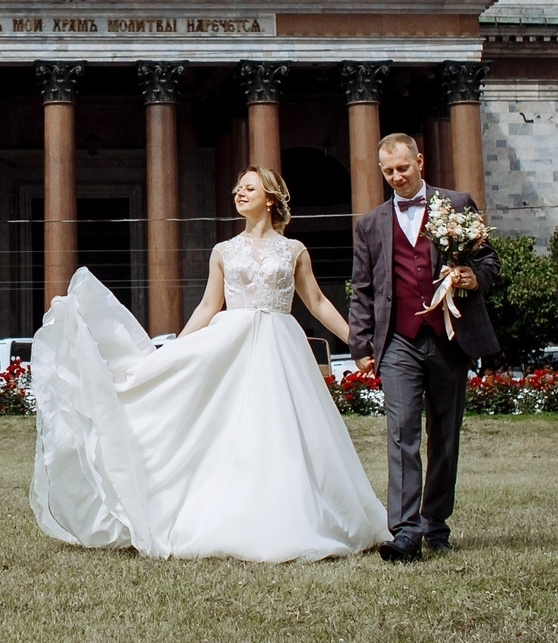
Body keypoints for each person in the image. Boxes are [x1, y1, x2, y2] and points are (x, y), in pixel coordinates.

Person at [27, 166, 390, 562]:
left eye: (249, 188)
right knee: (231, 432)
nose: (239, 193)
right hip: (229, 348)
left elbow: (317, 303)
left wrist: (358, 343)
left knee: (282, 430)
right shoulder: (224, 250)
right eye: (237, 188)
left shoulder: (293, 250)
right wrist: (171, 355)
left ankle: (297, 517)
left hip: (281, 349)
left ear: (270, 197)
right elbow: (207, 306)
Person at [348, 131, 497, 563]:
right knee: (401, 434)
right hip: (398, 341)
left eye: (403, 168)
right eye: (388, 171)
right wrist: (361, 343)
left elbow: (489, 260)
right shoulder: (370, 223)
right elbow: (363, 290)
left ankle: (436, 525)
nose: (396, 177)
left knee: (445, 437)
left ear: (420, 161)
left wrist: (473, 277)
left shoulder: (458, 204)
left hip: (450, 336)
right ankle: (406, 531)